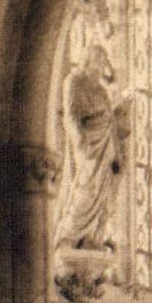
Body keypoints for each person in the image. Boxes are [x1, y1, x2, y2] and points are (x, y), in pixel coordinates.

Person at [55, 40, 132, 251]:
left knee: (104, 195)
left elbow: (109, 122)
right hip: (87, 148)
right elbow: (70, 115)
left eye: (103, 61)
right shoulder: (73, 81)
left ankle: (93, 237)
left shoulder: (101, 91)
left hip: (105, 148)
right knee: (85, 189)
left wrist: (118, 154)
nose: (101, 65)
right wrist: (79, 142)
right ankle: (67, 238)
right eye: (97, 60)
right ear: (87, 60)